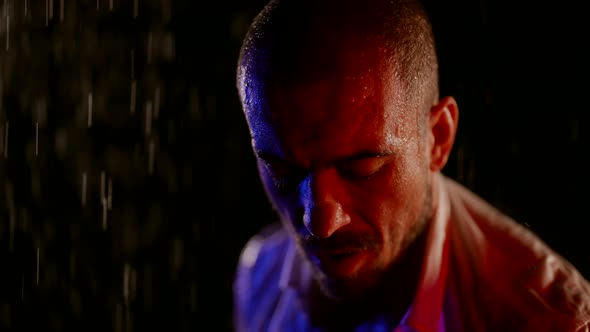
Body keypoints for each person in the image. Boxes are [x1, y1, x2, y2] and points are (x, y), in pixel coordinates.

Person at [232, 0, 590, 330]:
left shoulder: (547, 321)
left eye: (363, 167)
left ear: (439, 137)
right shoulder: (260, 275)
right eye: (284, 171)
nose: (322, 223)